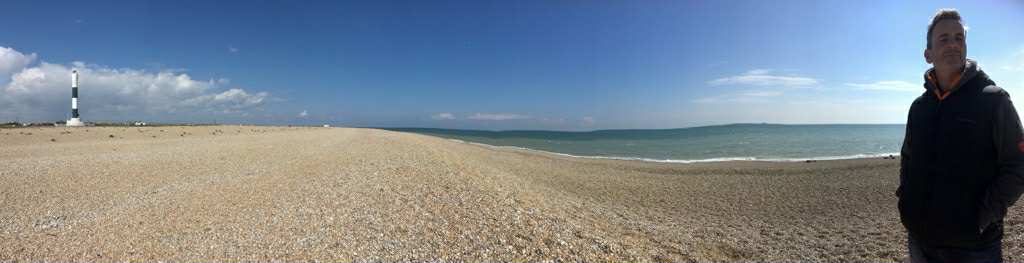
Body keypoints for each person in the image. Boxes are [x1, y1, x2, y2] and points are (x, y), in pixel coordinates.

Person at [898, 8, 1024, 262]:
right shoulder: (919, 107)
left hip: (974, 246)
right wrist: (906, 202)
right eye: (944, 39)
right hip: (920, 238)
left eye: (959, 37)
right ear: (928, 54)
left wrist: (983, 215)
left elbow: (1018, 165)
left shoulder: (993, 100)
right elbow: (908, 159)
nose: (953, 44)